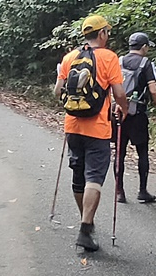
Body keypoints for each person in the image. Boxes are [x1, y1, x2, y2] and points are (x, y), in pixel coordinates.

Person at [53, 14, 128, 253]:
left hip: (72, 127)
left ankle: (87, 221)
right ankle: (85, 228)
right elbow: (119, 93)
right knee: (94, 177)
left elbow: (57, 92)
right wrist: (122, 109)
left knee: (78, 177)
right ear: (102, 33)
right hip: (98, 129)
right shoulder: (109, 57)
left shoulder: (69, 58)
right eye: (107, 31)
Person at [113, 32, 156, 204]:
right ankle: (142, 191)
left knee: (119, 153)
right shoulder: (146, 64)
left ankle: (119, 191)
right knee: (142, 152)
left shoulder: (118, 61)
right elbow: (153, 90)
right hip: (138, 115)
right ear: (143, 46)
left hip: (119, 113)